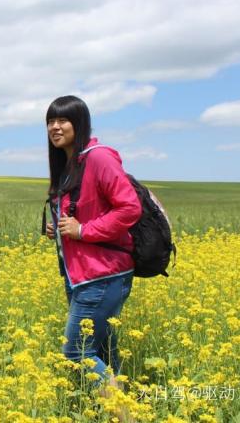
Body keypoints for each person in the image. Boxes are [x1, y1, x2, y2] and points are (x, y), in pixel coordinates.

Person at [44, 95, 141, 400]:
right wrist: (60, 230)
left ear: (80, 123)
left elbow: (129, 208)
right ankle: (126, 407)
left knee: (76, 352)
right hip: (81, 275)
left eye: (62, 120)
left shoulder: (98, 158)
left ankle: (127, 417)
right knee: (102, 349)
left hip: (102, 275)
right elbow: (83, 211)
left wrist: (83, 230)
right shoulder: (71, 164)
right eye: (50, 121)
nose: (55, 127)